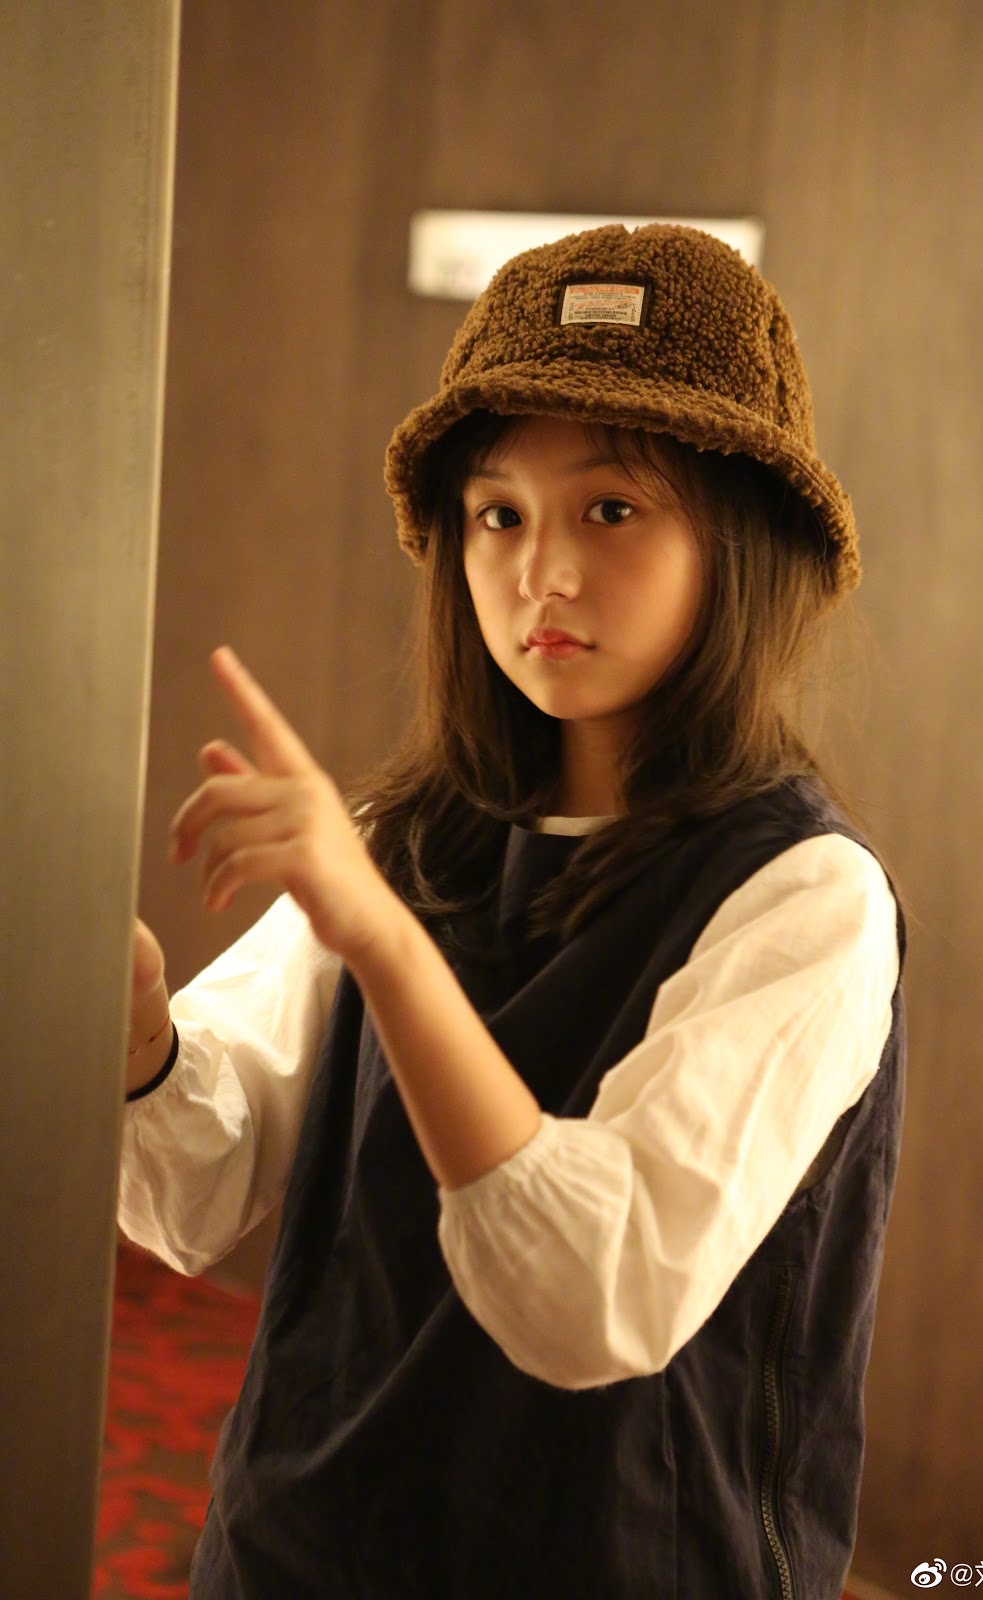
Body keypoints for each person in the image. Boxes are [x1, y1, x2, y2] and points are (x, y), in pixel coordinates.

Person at [121, 223, 905, 1599]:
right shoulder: (401, 837)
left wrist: (383, 940)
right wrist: (135, 1036)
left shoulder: (806, 898)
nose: (542, 571)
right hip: (295, 1553)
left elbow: (596, 1293)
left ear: (743, 537)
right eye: (498, 515)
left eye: (611, 510)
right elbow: (196, 1197)